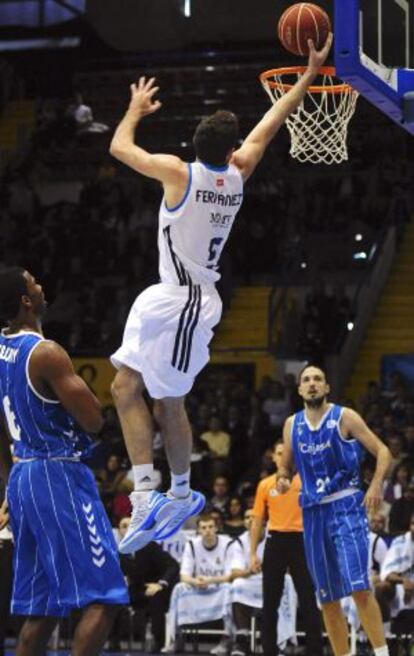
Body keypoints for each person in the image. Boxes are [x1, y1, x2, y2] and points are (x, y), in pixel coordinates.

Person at [108, 34, 333, 554]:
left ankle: (181, 491)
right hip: (167, 296)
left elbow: (119, 147)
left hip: (188, 301)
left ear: (195, 145)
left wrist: (135, 108)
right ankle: (148, 494)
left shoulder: (177, 172)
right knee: (125, 388)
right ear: (231, 151)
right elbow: (271, 123)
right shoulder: (238, 173)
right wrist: (308, 73)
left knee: (169, 402)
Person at [0, 267, 129, 656]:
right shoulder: (46, 353)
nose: (40, 284)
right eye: (33, 281)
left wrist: (7, 486)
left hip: (22, 475)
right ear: (26, 300)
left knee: (43, 610)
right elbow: (93, 420)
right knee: (105, 597)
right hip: (56, 472)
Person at [277, 365, 392, 656]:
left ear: (327, 387)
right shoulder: (292, 425)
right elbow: (286, 465)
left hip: (346, 506)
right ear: (300, 389)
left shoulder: (345, 416)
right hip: (313, 513)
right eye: (306, 380)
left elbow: (383, 452)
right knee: (327, 599)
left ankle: (382, 653)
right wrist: (281, 477)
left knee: (358, 587)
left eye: (318, 379)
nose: (312, 384)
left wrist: (376, 483)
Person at [250, 439, 323, 656]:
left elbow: (319, 514)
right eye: (279, 453)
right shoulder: (265, 484)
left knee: (309, 599)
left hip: (302, 541)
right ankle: (269, 651)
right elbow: (257, 520)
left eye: (287, 453)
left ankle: (315, 651)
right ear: (273, 457)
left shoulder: (308, 481)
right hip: (275, 542)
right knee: (270, 601)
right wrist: (253, 552)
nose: (284, 457)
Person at [115, 516, 180, 652]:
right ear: (119, 531)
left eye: (130, 526)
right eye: (123, 526)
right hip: (136, 589)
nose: (127, 529)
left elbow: (173, 565)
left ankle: (158, 642)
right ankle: (113, 642)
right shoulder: (119, 553)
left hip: (156, 587)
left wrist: (160, 584)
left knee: (155, 598)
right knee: (113, 598)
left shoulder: (149, 546)